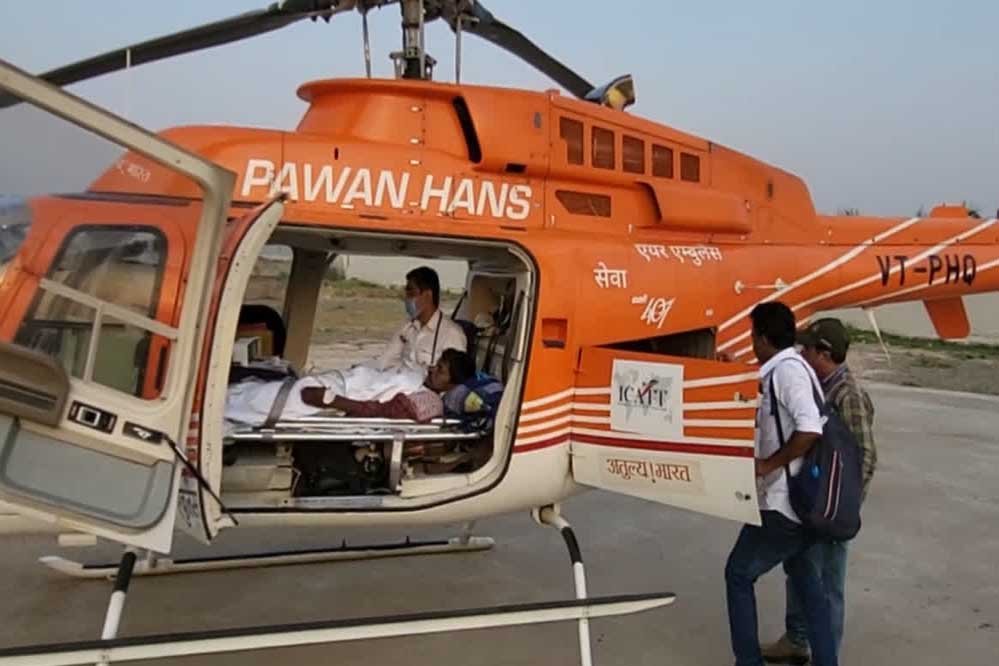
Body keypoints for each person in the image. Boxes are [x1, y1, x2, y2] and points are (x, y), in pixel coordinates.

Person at [724, 301, 838, 666]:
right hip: (803, 502)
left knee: (738, 574)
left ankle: (748, 661)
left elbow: (809, 428)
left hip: (784, 503)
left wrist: (768, 464)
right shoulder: (791, 367)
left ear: (761, 338)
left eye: (752, 335)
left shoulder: (786, 373)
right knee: (807, 583)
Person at [762, 318, 877, 664]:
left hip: (830, 511)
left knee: (827, 588)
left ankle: (827, 658)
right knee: (799, 572)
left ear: (824, 353)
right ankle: (797, 640)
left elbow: (865, 456)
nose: (800, 353)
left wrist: (842, 507)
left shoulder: (848, 395)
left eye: (807, 348)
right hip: (809, 503)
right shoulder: (816, 385)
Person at [300, 348, 475, 423]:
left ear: (452, 385)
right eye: (436, 364)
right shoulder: (418, 377)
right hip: (347, 381)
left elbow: (382, 410)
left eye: (440, 370)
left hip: (341, 397)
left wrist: (331, 401)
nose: (432, 369)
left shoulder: (430, 403)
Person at [373, 266, 467, 372]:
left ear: (428, 295)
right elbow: (385, 360)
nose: (406, 299)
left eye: (411, 294)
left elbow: (454, 379)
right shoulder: (407, 326)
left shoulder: (452, 334)